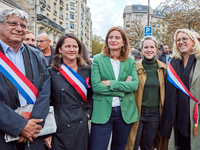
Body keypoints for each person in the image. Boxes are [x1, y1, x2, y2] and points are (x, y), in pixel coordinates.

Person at [0, 9, 50, 150]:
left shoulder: (37, 55)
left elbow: (45, 92)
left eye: (23, 25)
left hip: (33, 135)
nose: (19, 28)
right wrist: (19, 126)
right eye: (13, 23)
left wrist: (33, 127)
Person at [89, 26, 139, 150]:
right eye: (110, 37)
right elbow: (96, 86)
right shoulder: (98, 59)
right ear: (106, 41)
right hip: (102, 111)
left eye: (117, 37)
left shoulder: (130, 61)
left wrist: (111, 83)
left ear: (123, 42)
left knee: (119, 147)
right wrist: (123, 90)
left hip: (124, 113)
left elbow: (134, 85)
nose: (113, 40)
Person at [44, 33, 93, 150]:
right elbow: (45, 101)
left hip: (81, 123)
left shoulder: (87, 70)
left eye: (75, 47)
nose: (72, 49)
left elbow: (92, 95)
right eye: (67, 46)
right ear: (60, 49)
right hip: (59, 123)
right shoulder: (50, 72)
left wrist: (88, 113)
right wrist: (46, 130)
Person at [160, 29, 200, 150]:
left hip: (195, 113)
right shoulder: (173, 62)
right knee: (179, 144)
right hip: (176, 113)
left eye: (184, 39)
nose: (181, 42)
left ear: (193, 41)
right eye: (178, 40)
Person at [125, 36, 167, 150]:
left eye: (152, 47)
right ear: (141, 49)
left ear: (156, 49)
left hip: (154, 114)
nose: (149, 50)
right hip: (136, 112)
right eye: (146, 47)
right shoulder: (133, 67)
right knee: (131, 144)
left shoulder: (163, 69)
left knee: (148, 146)